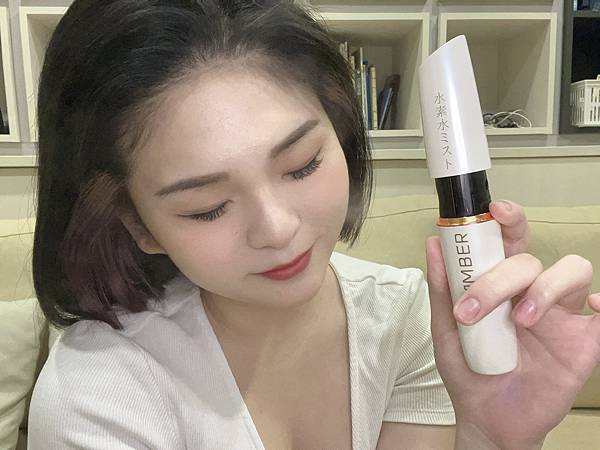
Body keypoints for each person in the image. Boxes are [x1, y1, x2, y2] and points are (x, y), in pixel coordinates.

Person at [28, 1, 600, 449]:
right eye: (207, 207)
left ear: (342, 133)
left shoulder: (407, 322)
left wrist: (495, 437)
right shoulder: (103, 388)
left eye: (301, 165)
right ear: (138, 224)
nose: (277, 230)